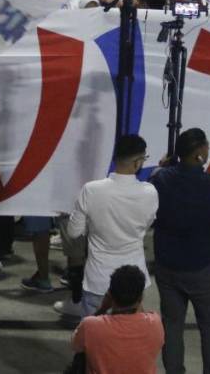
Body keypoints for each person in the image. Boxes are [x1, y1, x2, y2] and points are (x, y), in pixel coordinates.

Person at [150, 128, 210, 374]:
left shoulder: (160, 179)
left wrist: (163, 167)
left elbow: (149, 195)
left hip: (167, 267)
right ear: (199, 154)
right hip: (204, 267)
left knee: (172, 327)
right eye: (206, 147)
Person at [65, 135, 157, 317]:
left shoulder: (91, 190)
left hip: (98, 278)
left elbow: (73, 232)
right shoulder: (150, 192)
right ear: (138, 163)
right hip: (134, 280)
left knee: (94, 339)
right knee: (129, 338)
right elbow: (145, 226)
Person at [70, 265, 164, 374]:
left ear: (110, 295)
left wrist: (102, 309)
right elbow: (142, 315)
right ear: (140, 297)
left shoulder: (91, 326)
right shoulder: (155, 324)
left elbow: (75, 344)